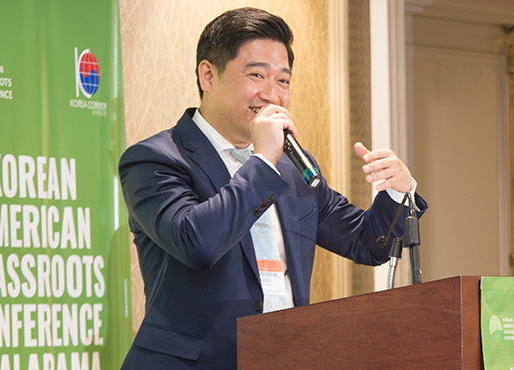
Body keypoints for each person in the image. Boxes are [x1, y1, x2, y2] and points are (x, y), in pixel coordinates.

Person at [118, 7, 426, 369]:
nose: (272, 95)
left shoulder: (292, 168)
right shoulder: (154, 159)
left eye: (283, 81)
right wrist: (262, 161)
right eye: (256, 75)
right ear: (208, 75)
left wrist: (396, 191)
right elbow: (196, 242)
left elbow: (364, 243)